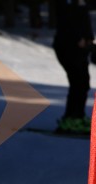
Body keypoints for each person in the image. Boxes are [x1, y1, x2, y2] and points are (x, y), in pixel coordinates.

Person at [53, 0, 94, 133]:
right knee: (78, 81)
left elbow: (84, 20)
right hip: (68, 46)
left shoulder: (81, 3)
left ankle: (77, 116)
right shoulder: (67, 3)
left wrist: (89, 39)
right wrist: (78, 38)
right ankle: (71, 119)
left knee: (83, 82)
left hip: (79, 47)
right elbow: (66, 21)